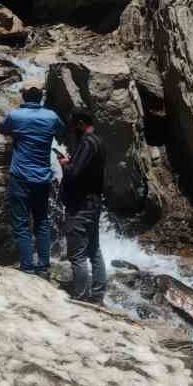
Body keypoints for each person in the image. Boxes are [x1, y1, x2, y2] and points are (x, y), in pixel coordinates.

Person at [0, 86, 65, 278]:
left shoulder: (16, 115)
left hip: (20, 176)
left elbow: (3, 128)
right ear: (41, 98)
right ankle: (43, 266)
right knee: (42, 222)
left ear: (23, 97)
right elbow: (61, 132)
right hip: (43, 177)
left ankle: (27, 266)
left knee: (21, 223)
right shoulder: (51, 116)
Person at [60, 109, 106, 303]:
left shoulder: (87, 142)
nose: (72, 130)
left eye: (73, 126)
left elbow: (74, 174)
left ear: (80, 123)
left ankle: (79, 296)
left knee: (77, 254)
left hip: (81, 204)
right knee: (94, 249)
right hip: (94, 202)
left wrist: (64, 163)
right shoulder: (99, 141)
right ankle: (97, 294)